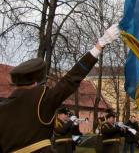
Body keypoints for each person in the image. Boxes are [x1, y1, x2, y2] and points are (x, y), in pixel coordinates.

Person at [0, 23, 121, 153]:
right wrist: (100, 44)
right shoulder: (42, 100)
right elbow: (70, 79)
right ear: (36, 81)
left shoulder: (3, 108)